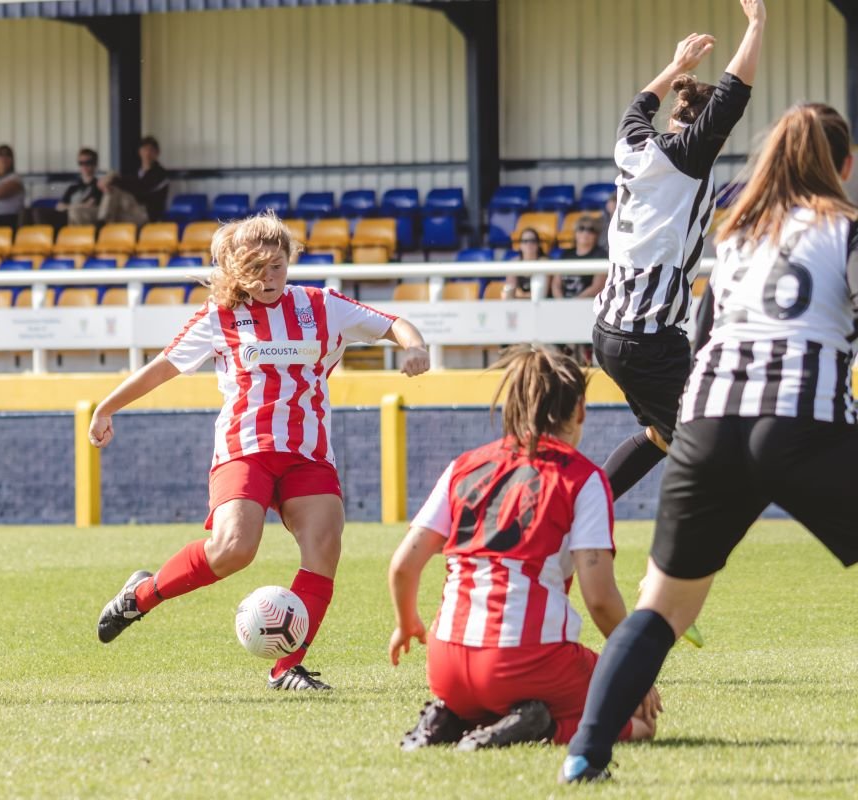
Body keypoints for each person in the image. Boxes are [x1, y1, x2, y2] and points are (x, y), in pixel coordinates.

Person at [562, 101, 858, 784]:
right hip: (800, 422)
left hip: (707, 423)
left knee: (663, 607)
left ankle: (586, 752)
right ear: (844, 165)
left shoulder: (737, 235)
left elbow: (705, 337)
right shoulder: (844, 231)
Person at [92, 212, 431, 690]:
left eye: (277, 266)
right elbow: (163, 368)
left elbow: (394, 323)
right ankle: (141, 596)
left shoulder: (320, 305)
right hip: (245, 448)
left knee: (324, 548)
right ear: (235, 271)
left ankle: (286, 667)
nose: (269, 278)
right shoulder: (219, 316)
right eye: (257, 268)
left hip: (308, 452)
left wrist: (415, 347)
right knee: (234, 549)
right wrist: (107, 407)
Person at [390, 345, 660, 752]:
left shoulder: (463, 465)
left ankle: (455, 718)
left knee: (489, 692)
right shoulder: (583, 478)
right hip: (525, 660)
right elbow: (600, 599)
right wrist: (636, 671)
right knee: (639, 719)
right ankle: (541, 726)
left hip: (445, 665)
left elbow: (402, 566)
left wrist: (407, 622)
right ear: (580, 410)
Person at [593, 0, 765, 500]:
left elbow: (638, 106)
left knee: (665, 436)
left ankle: (583, 509)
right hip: (646, 340)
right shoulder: (686, 160)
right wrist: (756, 24)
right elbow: (734, 96)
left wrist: (675, 67)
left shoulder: (633, 145)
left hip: (613, 331)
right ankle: (665, 564)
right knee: (713, 446)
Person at [551, 215, 608, 299]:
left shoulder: (601, 255)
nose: (586, 233)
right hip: (562, 304)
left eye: (591, 230)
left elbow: (597, 287)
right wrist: (561, 301)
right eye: (581, 228)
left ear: (596, 235)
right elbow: (556, 284)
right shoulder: (566, 255)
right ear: (575, 233)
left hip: (587, 304)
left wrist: (574, 303)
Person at [123, 135, 170, 224]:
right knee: (113, 189)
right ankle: (101, 223)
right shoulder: (134, 173)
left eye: (151, 150)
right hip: (131, 211)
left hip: (148, 214)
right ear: (139, 152)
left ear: (157, 153)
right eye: (145, 149)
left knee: (115, 186)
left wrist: (114, 180)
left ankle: (101, 225)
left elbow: (142, 191)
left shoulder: (161, 174)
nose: (147, 153)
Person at [56, 148, 104, 227]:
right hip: (70, 219)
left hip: (87, 220)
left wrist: (68, 207)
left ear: (95, 164)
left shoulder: (99, 186)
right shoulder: (72, 188)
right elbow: (59, 206)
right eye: (81, 163)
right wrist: (79, 206)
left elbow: (90, 206)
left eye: (88, 162)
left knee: (75, 212)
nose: (84, 166)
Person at [503, 227, 548, 299]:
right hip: (519, 305)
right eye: (525, 241)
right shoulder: (514, 263)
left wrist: (521, 294)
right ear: (520, 245)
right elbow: (510, 292)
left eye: (533, 241)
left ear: (538, 244)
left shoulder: (544, 263)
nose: (529, 244)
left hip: (540, 305)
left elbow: (542, 293)